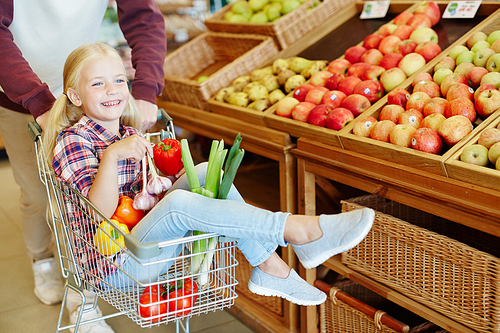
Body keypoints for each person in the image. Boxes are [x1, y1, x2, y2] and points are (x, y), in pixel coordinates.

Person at [43, 42, 375, 314]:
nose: (111, 89)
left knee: (205, 172)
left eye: (117, 80)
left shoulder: (131, 133)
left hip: (147, 244)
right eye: (97, 83)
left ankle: (270, 266)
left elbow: (147, 201)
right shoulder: (73, 141)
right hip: (114, 266)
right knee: (177, 205)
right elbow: (93, 212)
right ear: (75, 96)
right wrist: (113, 156)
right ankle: (300, 230)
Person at [0, 1, 166, 332]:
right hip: (18, 93)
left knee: (86, 199)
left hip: (88, 88)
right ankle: (42, 258)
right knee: (37, 193)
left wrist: (146, 89)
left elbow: (143, 16)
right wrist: (37, 100)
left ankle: (81, 298)